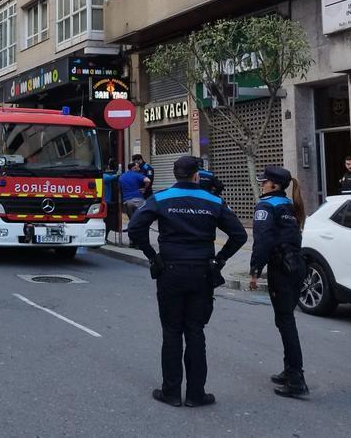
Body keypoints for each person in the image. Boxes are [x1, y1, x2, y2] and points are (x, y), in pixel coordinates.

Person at [129, 156, 248, 408]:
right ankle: (196, 394)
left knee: (171, 331)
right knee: (195, 331)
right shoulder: (213, 201)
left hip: (170, 271)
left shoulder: (161, 198)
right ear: (197, 175)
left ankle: (171, 392)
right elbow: (239, 234)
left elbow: (135, 228)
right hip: (202, 272)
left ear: (175, 174)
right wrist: (220, 260)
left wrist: (152, 256)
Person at [248, 166, 310, 399]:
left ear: (273, 185)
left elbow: (262, 241)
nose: (262, 185)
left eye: (264, 182)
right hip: (296, 266)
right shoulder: (288, 205)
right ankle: (289, 371)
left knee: (286, 323)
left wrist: (255, 270)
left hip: (282, 269)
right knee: (286, 320)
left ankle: (296, 379)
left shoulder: (266, 206)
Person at [119, 162, 151, 240]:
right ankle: (141, 240)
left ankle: (132, 241)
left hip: (127, 202)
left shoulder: (122, 177)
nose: (139, 169)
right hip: (138, 200)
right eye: (137, 167)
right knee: (142, 221)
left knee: (132, 221)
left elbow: (119, 189)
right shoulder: (137, 175)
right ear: (133, 168)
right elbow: (148, 180)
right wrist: (144, 188)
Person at [102, 158, 122, 243]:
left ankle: (105, 237)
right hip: (106, 202)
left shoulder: (106, 176)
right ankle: (104, 237)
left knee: (108, 221)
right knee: (107, 221)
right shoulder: (104, 176)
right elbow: (114, 177)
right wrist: (119, 171)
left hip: (108, 201)